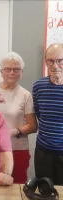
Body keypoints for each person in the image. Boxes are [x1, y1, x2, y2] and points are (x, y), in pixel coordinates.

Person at [0, 52, 37, 183]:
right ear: (1, 71)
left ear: (22, 71)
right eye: (7, 69)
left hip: (17, 149)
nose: (12, 72)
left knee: (17, 187)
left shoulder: (25, 95)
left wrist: (14, 132)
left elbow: (32, 126)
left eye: (16, 69)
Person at [33, 43, 63, 185]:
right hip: (43, 151)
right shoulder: (38, 86)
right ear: (46, 62)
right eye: (50, 61)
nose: (55, 65)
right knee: (44, 192)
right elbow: (39, 114)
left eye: (60, 61)